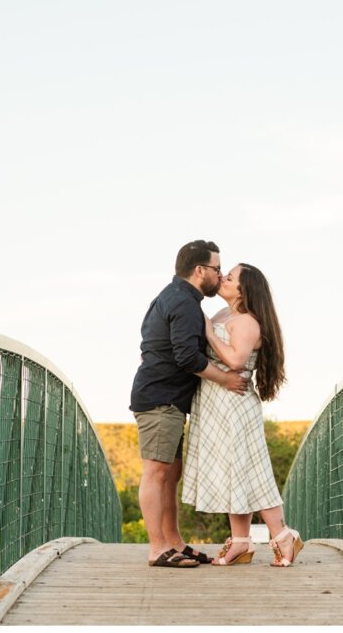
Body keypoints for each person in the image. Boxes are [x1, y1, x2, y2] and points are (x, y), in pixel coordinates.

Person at [130, 240, 248, 568]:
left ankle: (174, 542)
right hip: (159, 398)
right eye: (216, 269)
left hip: (167, 399)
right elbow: (185, 356)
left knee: (171, 472)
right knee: (156, 472)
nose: (219, 275)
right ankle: (158, 548)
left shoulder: (177, 298)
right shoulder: (183, 302)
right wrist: (226, 380)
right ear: (200, 270)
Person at [182, 263, 304, 567]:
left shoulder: (247, 321)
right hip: (215, 403)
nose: (223, 278)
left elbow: (236, 360)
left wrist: (209, 333)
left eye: (230, 277)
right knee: (232, 472)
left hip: (234, 404)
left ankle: (283, 536)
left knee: (252, 471)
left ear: (244, 289)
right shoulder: (226, 315)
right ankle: (240, 541)